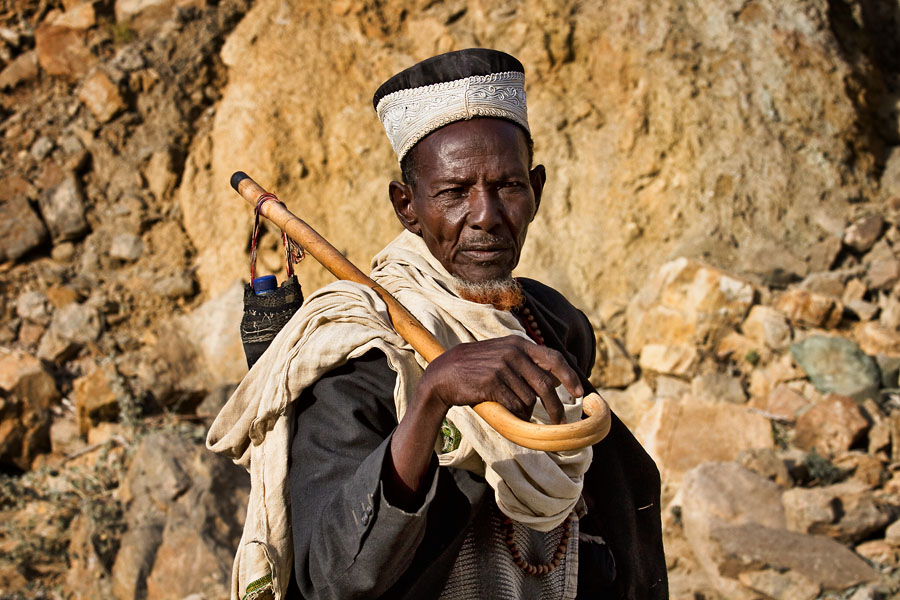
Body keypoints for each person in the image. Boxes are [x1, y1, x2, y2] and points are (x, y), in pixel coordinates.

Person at [208, 49, 666, 600]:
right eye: (454, 192)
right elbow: (332, 575)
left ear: (537, 191)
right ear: (407, 206)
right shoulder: (358, 354)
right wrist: (431, 398)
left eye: (509, 187)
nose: (486, 216)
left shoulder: (553, 323)